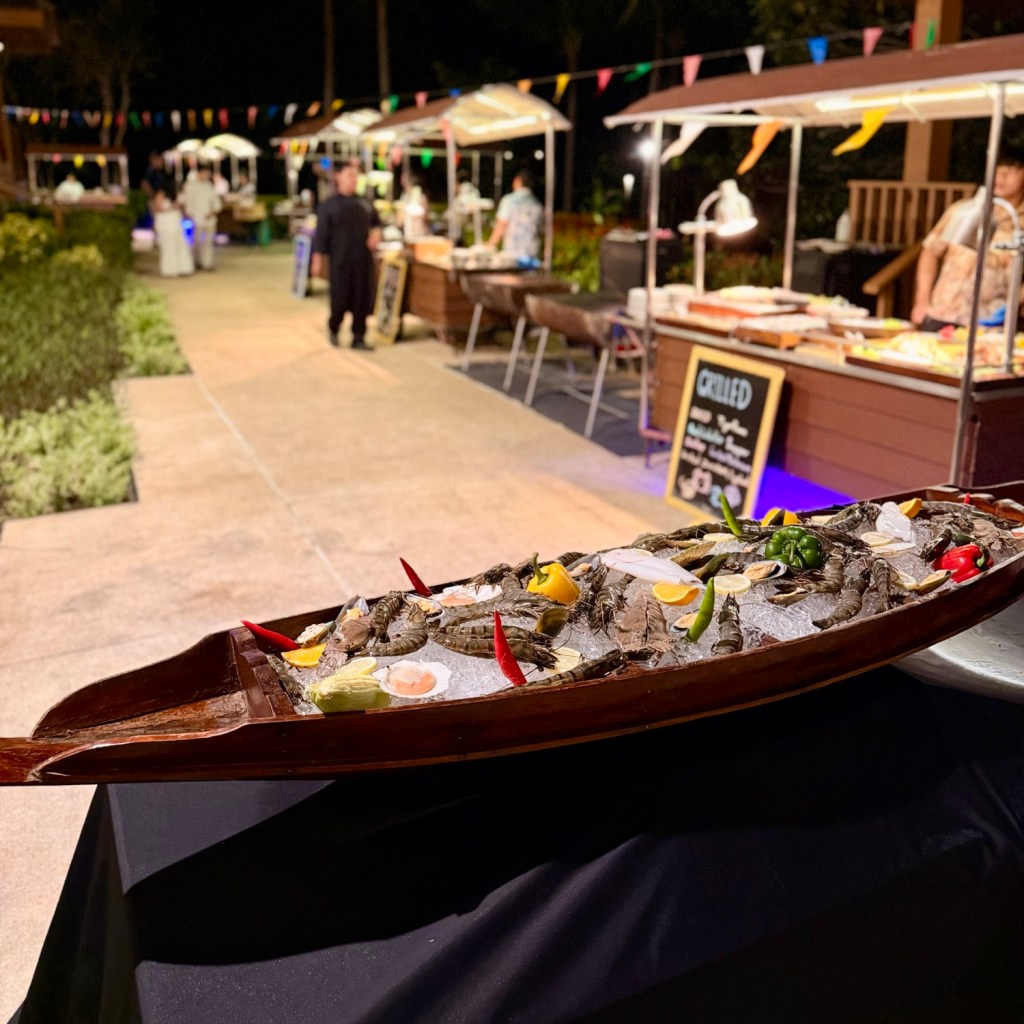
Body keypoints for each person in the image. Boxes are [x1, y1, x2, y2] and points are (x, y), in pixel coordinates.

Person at [912, 142, 1024, 331]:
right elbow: (930, 251)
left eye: (1011, 170)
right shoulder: (964, 211)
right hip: (941, 312)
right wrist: (922, 301)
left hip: (988, 322)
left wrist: (1014, 306)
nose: (1001, 176)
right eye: (998, 168)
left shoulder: (1019, 222)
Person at [311, 162, 382, 351]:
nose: (354, 179)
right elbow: (321, 236)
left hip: (363, 260)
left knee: (362, 300)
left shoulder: (365, 202)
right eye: (350, 174)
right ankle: (334, 327)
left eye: (356, 175)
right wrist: (317, 260)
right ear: (338, 177)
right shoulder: (329, 206)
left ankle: (358, 337)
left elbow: (376, 224)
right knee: (339, 299)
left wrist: (376, 235)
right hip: (340, 261)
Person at [488, 168, 543, 260]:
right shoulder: (537, 204)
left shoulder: (509, 200)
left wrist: (490, 244)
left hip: (512, 253)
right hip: (532, 253)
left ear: (517, 180)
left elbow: (501, 224)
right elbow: (540, 229)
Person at [181, 165, 223, 271]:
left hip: (209, 218)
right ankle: (196, 261)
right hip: (196, 218)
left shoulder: (209, 186)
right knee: (196, 242)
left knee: (208, 242)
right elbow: (188, 203)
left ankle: (207, 263)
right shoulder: (190, 186)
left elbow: (216, 202)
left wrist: (213, 211)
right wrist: (190, 215)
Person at [152, 190, 194, 278]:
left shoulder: (176, 196)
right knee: (169, 247)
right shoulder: (160, 194)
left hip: (175, 223)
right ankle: (170, 270)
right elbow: (157, 209)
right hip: (167, 224)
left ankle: (182, 268)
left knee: (180, 246)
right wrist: (172, 207)